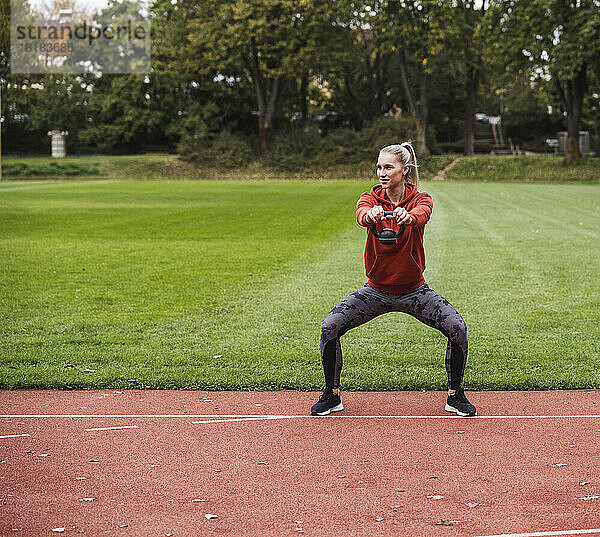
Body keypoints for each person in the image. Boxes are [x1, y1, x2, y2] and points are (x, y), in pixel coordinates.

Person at [310, 142, 476, 417]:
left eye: (388, 167)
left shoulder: (421, 199)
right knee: (330, 327)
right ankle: (331, 395)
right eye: (379, 167)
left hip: (414, 291)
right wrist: (371, 214)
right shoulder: (369, 198)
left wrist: (408, 217)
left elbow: (422, 214)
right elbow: (362, 214)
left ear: (405, 170)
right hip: (375, 292)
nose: (382, 173)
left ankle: (455, 396)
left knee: (456, 327)